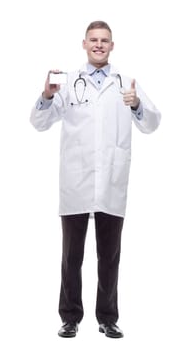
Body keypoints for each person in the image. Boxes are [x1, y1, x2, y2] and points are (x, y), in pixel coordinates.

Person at [30, 20, 161, 339]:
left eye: (104, 40)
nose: (99, 45)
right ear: (85, 44)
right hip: (76, 180)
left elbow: (152, 123)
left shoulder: (126, 82)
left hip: (111, 182)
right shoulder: (67, 81)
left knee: (110, 256)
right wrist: (46, 96)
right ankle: (70, 317)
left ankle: (108, 317)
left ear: (112, 46)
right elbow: (39, 122)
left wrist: (138, 104)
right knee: (71, 256)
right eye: (93, 40)